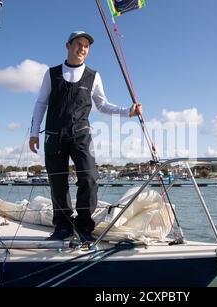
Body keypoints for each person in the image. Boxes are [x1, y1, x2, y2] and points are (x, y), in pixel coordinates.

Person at [29, 31, 142, 242]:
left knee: (89, 177)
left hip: (81, 135)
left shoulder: (93, 76)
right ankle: (63, 226)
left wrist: (127, 111)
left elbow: (102, 104)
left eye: (86, 46)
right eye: (79, 44)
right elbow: (41, 103)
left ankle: (83, 227)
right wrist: (34, 133)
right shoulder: (51, 73)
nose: (83, 48)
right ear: (68, 45)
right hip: (54, 135)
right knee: (58, 182)